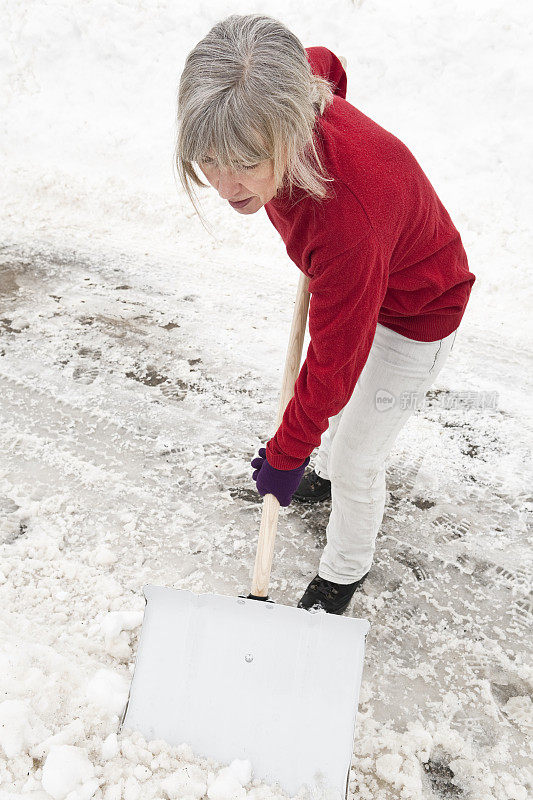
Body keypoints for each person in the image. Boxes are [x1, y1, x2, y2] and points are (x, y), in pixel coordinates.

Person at [175, 14, 476, 615]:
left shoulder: (347, 224)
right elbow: (326, 61)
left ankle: (339, 578)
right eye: (211, 158)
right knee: (337, 440)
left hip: (420, 310)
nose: (226, 184)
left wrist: (287, 452)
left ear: (287, 135)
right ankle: (326, 477)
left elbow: (333, 365)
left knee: (357, 454)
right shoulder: (276, 85)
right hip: (362, 274)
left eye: (247, 160)